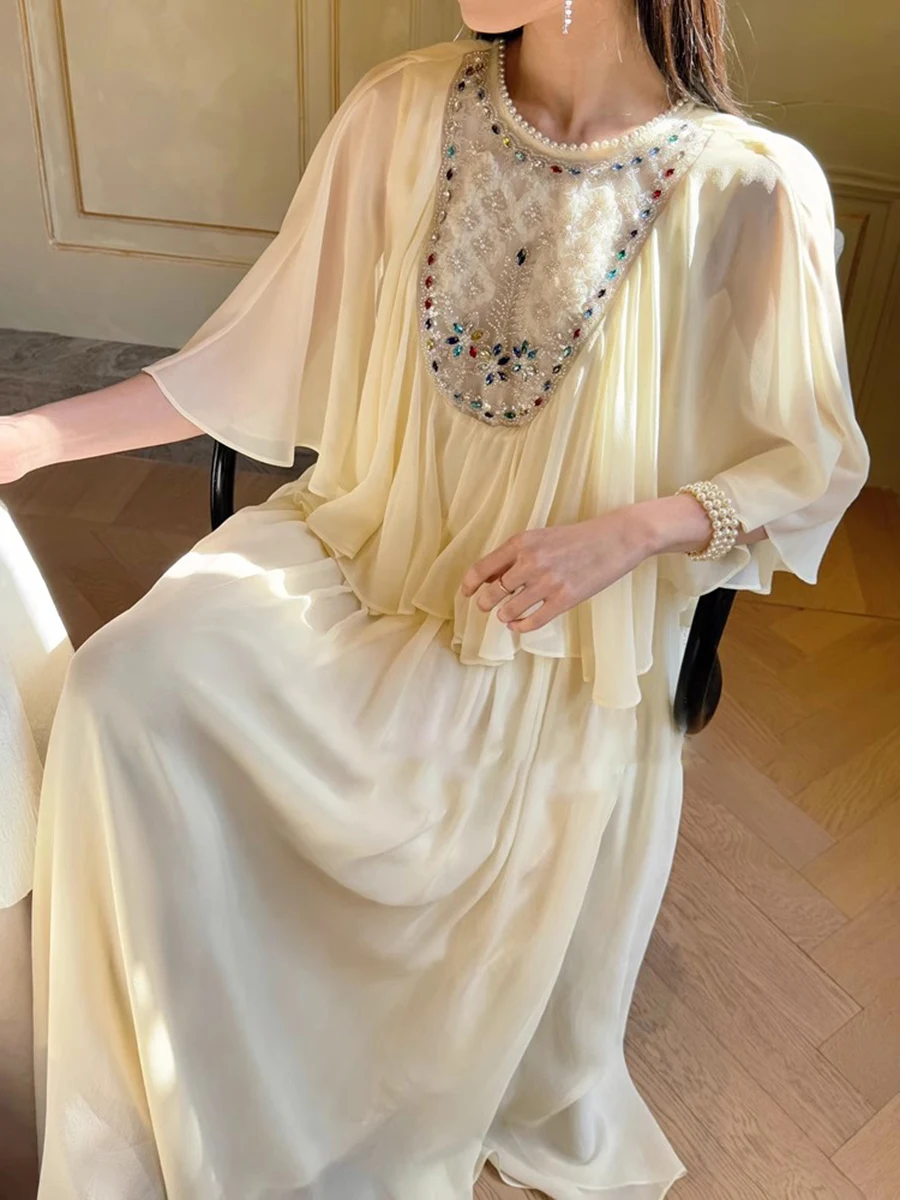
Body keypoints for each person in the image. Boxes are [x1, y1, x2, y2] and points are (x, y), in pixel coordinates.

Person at [0, 0, 869, 1196]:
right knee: (122, 691)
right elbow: (250, 355)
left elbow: (813, 462)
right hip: (352, 552)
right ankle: (149, 1111)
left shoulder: (751, 186)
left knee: (422, 823)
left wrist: (631, 534)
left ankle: (308, 1089)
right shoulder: (398, 112)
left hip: (539, 643)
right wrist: (33, 439)